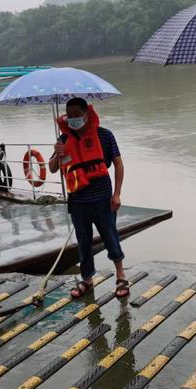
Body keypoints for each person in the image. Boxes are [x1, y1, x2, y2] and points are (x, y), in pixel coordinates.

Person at [48, 97, 129, 298]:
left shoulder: (104, 135)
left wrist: (117, 193)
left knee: (110, 236)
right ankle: (87, 279)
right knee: (83, 241)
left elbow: (118, 164)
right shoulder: (64, 140)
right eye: (70, 116)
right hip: (78, 200)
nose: (73, 119)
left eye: (77, 115)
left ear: (87, 114)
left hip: (102, 198)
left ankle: (121, 276)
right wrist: (58, 154)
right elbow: (51, 169)